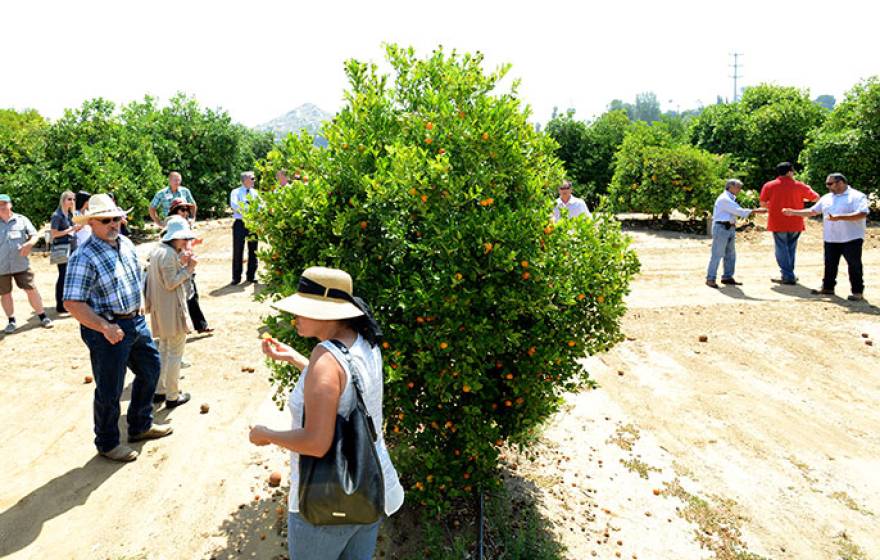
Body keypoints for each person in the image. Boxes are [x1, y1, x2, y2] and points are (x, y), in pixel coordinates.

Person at [248, 267, 404, 559]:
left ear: (327, 313)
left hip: (327, 501)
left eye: (302, 310)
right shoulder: (363, 340)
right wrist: (296, 360)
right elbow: (345, 388)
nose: (294, 318)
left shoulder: (326, 359)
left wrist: (265, 435)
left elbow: (317, 443)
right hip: (369, 487)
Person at [63, 194, 172, 462]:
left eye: (116, 218)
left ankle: (140, 425)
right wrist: (104, 327)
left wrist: (140, 305)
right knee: (110, 388)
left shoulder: (124, 243)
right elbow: (72, 302)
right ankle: (108, 443)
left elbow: (135, 276)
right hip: (106, 328)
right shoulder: (83, 256)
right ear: (91, 223)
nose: (113, 224)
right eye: (105, 220)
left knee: (150, 369)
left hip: (134, 321)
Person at [782, 173, 870, 301]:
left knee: (854, 265)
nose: (828, 187)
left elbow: (862, 213)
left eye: (830, 184)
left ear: (840, 182)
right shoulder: (827, 198)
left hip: (851, 237)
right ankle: (828, 287)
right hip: (831, 237)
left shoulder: (856, 196)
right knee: (830, 264)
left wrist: (840, 217)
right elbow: (813, 211)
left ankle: (857, 291)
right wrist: (793, 212)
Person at [145, 218, 198, 407]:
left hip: (161, 309)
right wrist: (189, 269)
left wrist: (182, 264)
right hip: (172, 310)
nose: (186, 242)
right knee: (175, 353)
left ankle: (160, 390)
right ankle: (173, 396)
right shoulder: (168, 254)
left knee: (164, 351)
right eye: (183, 238)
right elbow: (171, 283)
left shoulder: (159, 251)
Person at [760, 162, 820, 285]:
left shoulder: (769, 185)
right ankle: (788, 274)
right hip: (796, 221)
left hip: (777, 221)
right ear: (789, 172)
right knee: (791, 248)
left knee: (781, 248)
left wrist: (774, 205)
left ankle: (787, 275)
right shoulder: (799, 186)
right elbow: (816, 198)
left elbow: (763, 203)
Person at [0, 194, 53, 333]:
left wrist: (29, 244)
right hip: (1, 266)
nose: (2, 206)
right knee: (5, 294)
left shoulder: (22, 220)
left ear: (10, 204)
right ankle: (11, 321)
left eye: (4, 203)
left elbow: (35, 235)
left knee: (31, 289)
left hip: (21, 264)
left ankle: (42, 316)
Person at [705, 180, 767, 288]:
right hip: (722, 227)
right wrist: (756, 211)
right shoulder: (724, 199)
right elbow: (738, 211)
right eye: (738, 187)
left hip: (729, 228)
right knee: (717, 254)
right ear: (730, 187)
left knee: (730, 254)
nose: (739, 189)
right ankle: (710, 278)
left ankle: (727, 277)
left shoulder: (729, 198)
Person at [167, 199, 212, 333]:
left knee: (192, 295)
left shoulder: (184, 224)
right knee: (185, 297)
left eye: (187, 209)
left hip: (187, 264)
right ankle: (193, 326)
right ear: (175, 211)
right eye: (183, 209)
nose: (186, 212)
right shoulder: (171, 225)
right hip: (180, 265)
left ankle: (199, 325)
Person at [49, 190, 80, 313]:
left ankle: (67, 303)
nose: (72, 202)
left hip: (71, 247)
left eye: (73, 199)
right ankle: (60, 304)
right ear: (63, 200)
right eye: (69, 199)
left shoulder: (69, 214)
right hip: (62, 248)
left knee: (69, 275)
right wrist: (70, 229)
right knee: (63, 275)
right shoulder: (57, 215)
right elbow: (54, 234)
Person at [230, 171, 260, 285]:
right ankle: (236, 277)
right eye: (252, 178)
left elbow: (260, 205)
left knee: (253, 249)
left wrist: (254, 211)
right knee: (238, 250)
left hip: (252, 223)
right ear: (245, 180)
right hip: (240, 222)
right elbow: (234, 205)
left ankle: (251, 276)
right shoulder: (236, 192)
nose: (254, 181)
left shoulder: (255, 192)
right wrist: (250, 210)